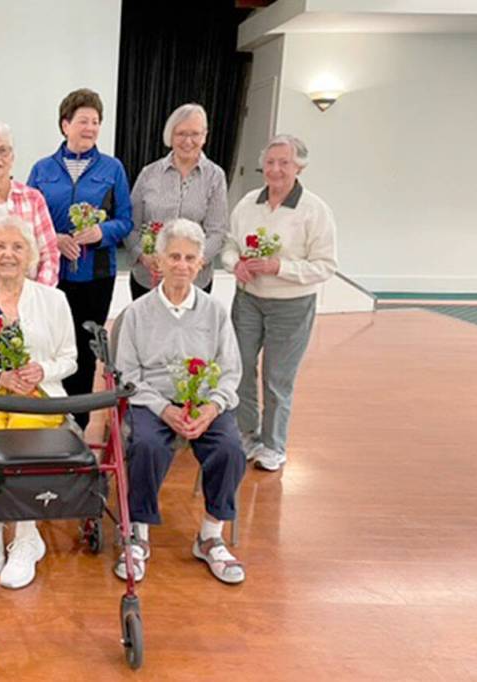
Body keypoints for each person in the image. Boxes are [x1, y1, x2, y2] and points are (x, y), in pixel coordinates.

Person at [114, 218, 246, 585]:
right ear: (158, 261)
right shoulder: (137, 313)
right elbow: (127, 375)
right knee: (147, 444)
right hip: (153, 401)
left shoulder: (215, 312)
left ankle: (210, 536)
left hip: (203, 404)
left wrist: (212, 408)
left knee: (230, 449)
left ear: (202, 263)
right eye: (174, 256)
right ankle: (138, 534)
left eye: (190, 258)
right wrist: (163, 409)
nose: (182, 265)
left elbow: (231, 371)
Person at [0, 216, 77, 589]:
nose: (8, 254)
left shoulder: (53, 300)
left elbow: (70, 358)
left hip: (38, 393)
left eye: (17, 247)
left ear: (31, 255)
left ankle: (25, 536)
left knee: (24, 436)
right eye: (1, 247)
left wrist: (41, 370)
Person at [222, 135, 338, 472]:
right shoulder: (247, 204)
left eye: (284, 163)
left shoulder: (314, 210)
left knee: (277, 377)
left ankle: (273, 445)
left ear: (299, 166)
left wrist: (280, 268)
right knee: (239, 368)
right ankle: (246, 434)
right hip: (248, 300)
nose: (275, 169)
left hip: (291, 305)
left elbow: (325, 265)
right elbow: (229, 245)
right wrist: (235, 265)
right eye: (270, 162)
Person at [27, 88, 132, 428]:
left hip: (95, 277)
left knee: (85, 351)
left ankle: (78, 423)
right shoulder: (42, 169)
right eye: (83, 121)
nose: (90, 128)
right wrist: (53, 239)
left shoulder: (112, 168)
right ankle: (46, 418)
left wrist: (101, 233)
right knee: (46, 345)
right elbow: (28, 219)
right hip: (51, 277)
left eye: (96, 122)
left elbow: (126, 221)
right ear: (65, 124)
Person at [124, 103, 228, 298]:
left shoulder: (215, 177)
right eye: (181, 134)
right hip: (149, 279)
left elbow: (217, 232)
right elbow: (131, 225)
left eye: (195, 134)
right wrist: (142, 255)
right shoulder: (149, 174)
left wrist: (190, 265)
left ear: (204, 136)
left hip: (195, 283)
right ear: (170, 136)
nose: (188, 141)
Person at [0, 119, 59, 285]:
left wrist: (37, 294)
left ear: (12, 157)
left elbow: (49, 254)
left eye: (3, 150)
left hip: (31, 295)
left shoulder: (33, 199)